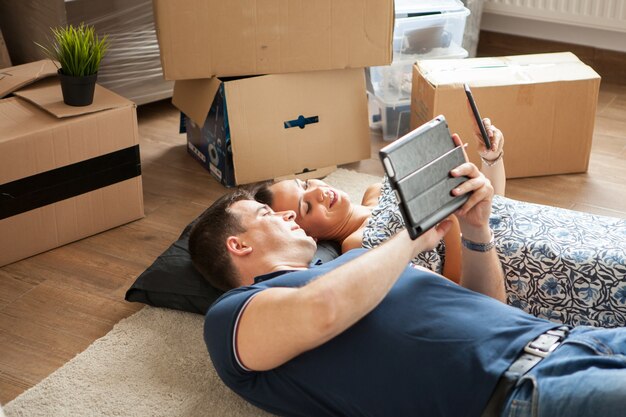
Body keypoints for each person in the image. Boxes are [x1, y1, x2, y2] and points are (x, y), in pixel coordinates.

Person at [189, 161, 626, 417]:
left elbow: (487, 305)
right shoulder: (231, 315)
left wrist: (474, 230)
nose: (289, 216)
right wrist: (414, 236)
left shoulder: (357, 264)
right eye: (268, 214)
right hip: (520, 393)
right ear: (238, 245)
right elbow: (321, 310)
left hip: (576, 339)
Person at [255, 118, 505, 281]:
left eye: (306, 184)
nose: (317, 192)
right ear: (311, 236)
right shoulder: (357, 247)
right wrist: (449, 221)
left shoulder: (376, 189)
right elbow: (450, 290)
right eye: (306, 207)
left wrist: (491, 159)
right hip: (507, 268)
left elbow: (494, 208)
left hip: (517, 223)